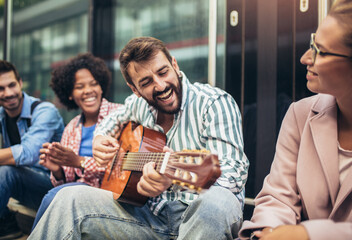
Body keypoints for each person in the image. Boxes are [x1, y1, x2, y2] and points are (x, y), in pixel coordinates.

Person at [29, 36, 249, 239]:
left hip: (198, 217)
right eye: (146, 82)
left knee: (218, 201)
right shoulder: (137, 104)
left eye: (163, 72)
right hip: (149, 216)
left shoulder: (213, 103)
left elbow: (235, 173)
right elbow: (112, 119)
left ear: (175, 65)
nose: (160, 86)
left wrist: (171, 177)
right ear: (134, 89)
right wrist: (100, 137)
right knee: (68, 198)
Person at [239, 0, 352, 239]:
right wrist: (269, 231)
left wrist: (306, 234)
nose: (305, 58)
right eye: (312, 44)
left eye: (320, 51)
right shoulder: (300, 114)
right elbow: (278, 197)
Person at [31, 53, 122, 229]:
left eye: (94, 83)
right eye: (79, 86)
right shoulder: (71, 127)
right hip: (75, 195)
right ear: (70, 94)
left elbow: (122, 164)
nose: (88, 90)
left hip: (111, 195)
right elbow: (67, 182)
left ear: (102, 87)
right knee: (57, 195)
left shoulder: (120, 115)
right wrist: (57, 170)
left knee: (54, 197)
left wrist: (78, 161)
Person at [0, 59, 64, 239]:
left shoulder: (45, 110)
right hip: (24, 184)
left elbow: (28, 152)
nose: (8, 93)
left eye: (11, 85)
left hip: (52, 187)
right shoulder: (0, 116)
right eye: (0, 89)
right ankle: (4, 222)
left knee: (7, 171)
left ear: (20, 83)